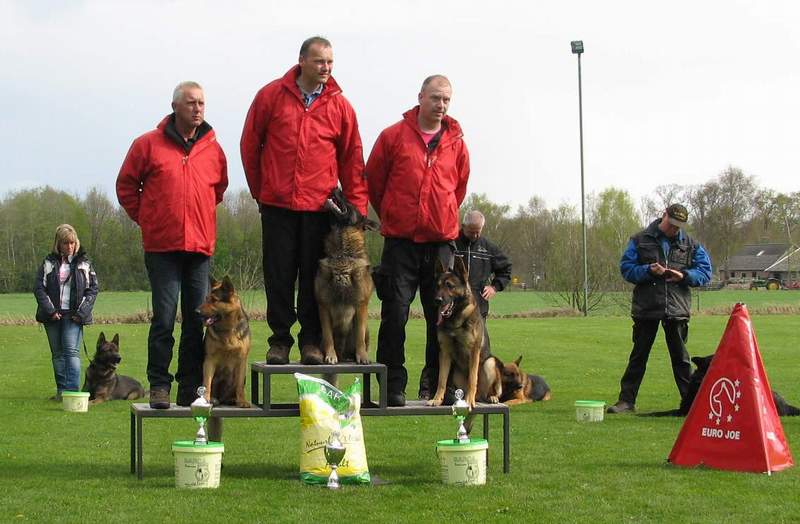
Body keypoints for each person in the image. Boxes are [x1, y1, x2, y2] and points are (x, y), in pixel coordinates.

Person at [240, 36, 367, 366]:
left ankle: (311, 340)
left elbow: (353, 159)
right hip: (278, 205)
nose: (325, 68)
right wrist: (260, 191)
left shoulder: (341, 106)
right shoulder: (271, 96)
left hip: (319, 208)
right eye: (319, 61)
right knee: (279, 275)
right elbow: (250, 145)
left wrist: (357, 210)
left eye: (330, 62)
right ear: (301, 61)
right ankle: (279, 341)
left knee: (315, 278)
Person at [116, 81, 228, 409]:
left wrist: (199, 217)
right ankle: (159, 386)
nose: (197, 109)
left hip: (199, 249)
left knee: (197, 320)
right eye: (191, 103)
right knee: (164, 317)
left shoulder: (213, 149)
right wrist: (150, 220)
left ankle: (190, 387)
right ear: (175, 106)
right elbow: (125, 187)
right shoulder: (146, 145)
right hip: (162, 248)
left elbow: (218, 190)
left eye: (202, 103)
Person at [367, 75, 470, 406]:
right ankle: (392, 385)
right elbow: (375, 183)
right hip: (401, 242)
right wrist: (395, 215)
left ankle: (431, 386)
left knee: (438, 315)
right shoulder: (393, 137)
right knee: (394, 313)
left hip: (440, 243)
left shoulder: (457, 143)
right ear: (420, 97)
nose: (441, 106)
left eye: (447, 100)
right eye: (436, 98)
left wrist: (441, 215)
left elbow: (459, 189)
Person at [607, 204, 712, 414]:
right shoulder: (639, 240)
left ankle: (690, 402)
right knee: (638, 357)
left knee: (681, 360)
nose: (674, 229)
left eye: (678, 226)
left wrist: (684, 276)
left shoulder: (691, 244)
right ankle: (626, 401)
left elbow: (705, 272)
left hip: (677, 309)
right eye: (671, 224)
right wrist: (648, 270)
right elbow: (626, 269)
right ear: (664, 215)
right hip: (646, 308)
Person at [34, 224, 99, 400]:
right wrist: (51, 311)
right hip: (52, 315)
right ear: (58, 244)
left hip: (74, 316)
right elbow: (39, 288)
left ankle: (72, 393)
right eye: (65, 243)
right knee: (57, 355)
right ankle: (61, 391)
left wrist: (81, 313)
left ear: (76, 243)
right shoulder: (48, 262)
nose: (69, 246)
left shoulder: (84, 263)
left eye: (72, 243)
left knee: (71, 352)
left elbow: (93, 289)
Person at [455, 210, 512, 320]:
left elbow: (506, 268)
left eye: (478, 231)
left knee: (480, 338)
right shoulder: (451, 243)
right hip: (454, 306)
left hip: (479, 307)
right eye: (471, 232)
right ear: (463, 226)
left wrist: (494, 287)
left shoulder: (488, 248)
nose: (475, 235)